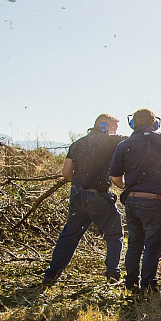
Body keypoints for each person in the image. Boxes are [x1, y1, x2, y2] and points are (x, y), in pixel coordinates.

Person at [42, 114, 127, 286]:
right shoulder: (109, 141)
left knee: (70, 234)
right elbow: (133, 141)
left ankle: (51, 274)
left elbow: (66, 173)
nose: (114, 132)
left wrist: (82, 182)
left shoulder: (77, 144)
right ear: (103, 126)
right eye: (113, 129)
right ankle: (113, 274)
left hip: (77, 194)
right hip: (99, 195)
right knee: (114, 234)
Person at [109, 108, 161, 294]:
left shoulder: (124, 145)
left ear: (133, 124)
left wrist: (129, 188)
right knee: (152, 246)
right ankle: (148, 285)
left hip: (132, 200)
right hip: (156, 202)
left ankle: (131, 284)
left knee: (134, 244)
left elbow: (115, 177)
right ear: (155, 123)